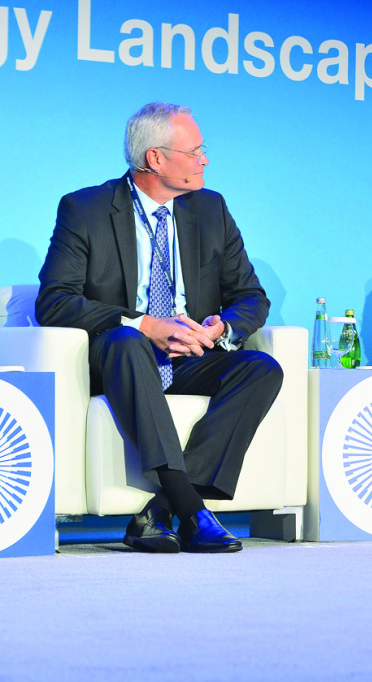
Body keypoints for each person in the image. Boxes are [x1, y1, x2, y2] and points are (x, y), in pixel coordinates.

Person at [36, 102, 283, 553]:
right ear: (156, 158)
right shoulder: (86, 209)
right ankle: (192, 508)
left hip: (190, 355)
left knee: (261, 367)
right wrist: (144, 325)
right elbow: (54, 301)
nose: (205, 159)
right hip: (121, 359)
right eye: (195, 151)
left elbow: (251, 297)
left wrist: (219, 329)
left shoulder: (211, 210)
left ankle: (159, 512)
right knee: (128, 342)